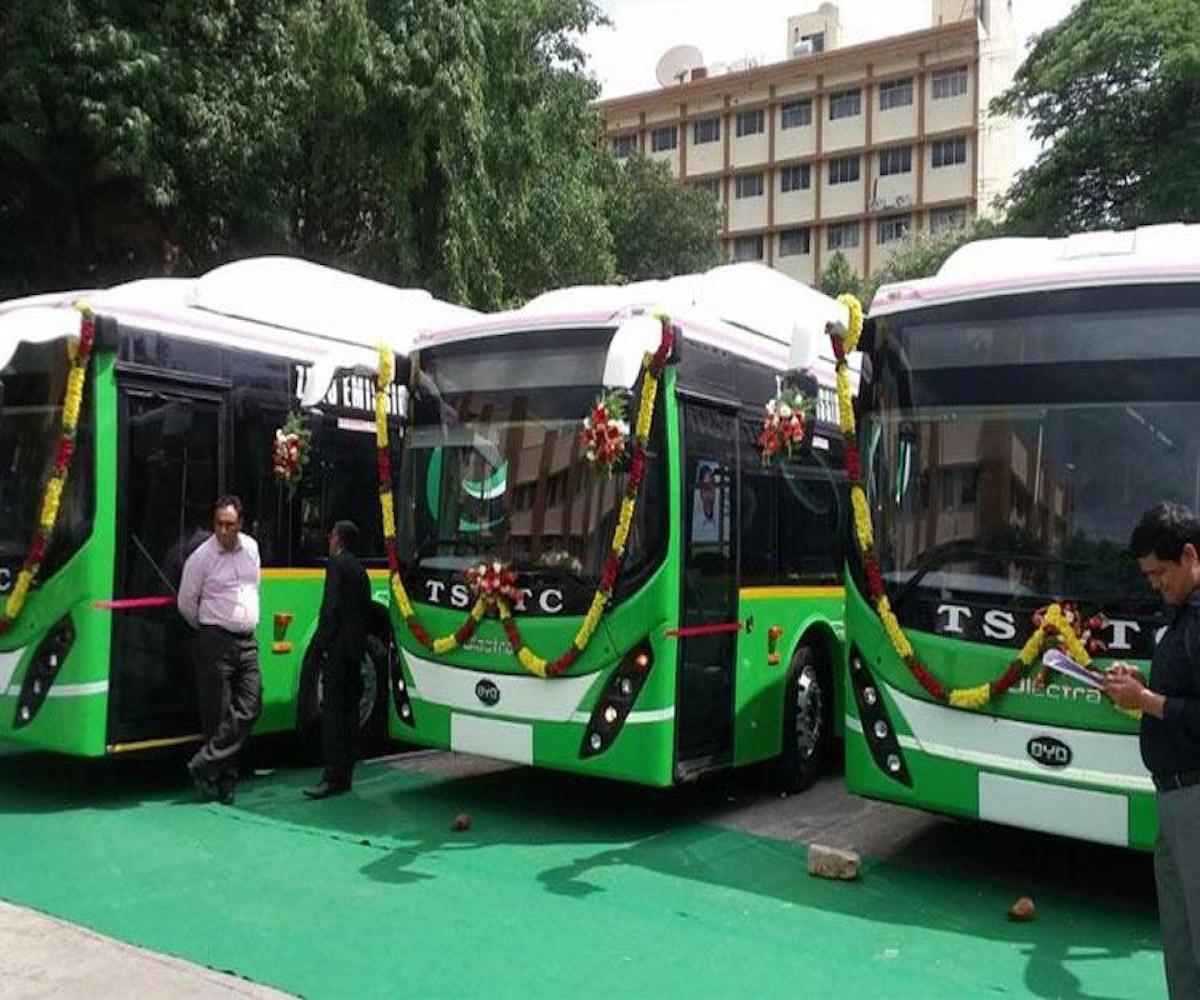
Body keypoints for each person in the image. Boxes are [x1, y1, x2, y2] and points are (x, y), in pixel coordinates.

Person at [1105, 501, 1200, 999]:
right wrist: (1141, 682)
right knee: (1181, 939)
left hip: (1195, 796)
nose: (1156, 585)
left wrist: (1144, 700)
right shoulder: (1184, 617)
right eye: (1148, 576)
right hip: (1174, 795)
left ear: (1190, 556)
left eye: (1160, 573)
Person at [177, 495, 262, 805]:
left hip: (247, 641)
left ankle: (204, 762)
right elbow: (186, 602)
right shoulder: (201, 557)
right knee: (218, 715)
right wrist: (209, 629)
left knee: (252, 705)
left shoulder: (251, 548)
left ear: (240, 524)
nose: (223, 531)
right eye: (218, 524)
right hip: (215, 641)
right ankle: (223, 781)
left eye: (229, 525)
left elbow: (254, 586)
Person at [304, 519, 372, 799]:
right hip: (355, 653)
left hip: (337, 653)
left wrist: (319, 647)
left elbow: (330, 608)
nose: (328, 540)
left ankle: (331, 776)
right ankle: (345, 774)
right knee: (350, 714)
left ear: (338, 540)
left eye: (331, 536)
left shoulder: (336, 565)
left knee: (332, 715)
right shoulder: (360, 570)